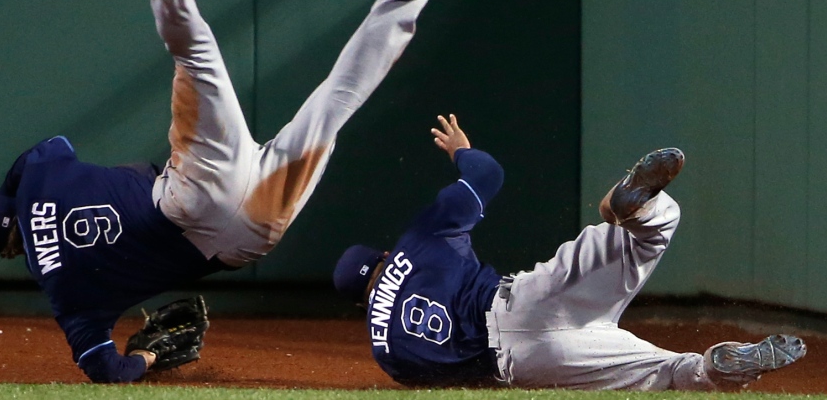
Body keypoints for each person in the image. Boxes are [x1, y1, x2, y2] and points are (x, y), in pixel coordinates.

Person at [0, 0, 434, 383]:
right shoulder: (41, 182)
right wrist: (3, 198)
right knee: (196, 54)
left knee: (336, 104)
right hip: (189, 192)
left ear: (12, 249)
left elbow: (105, 370)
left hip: (249, 233)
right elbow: (41, 153)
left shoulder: (66, 294)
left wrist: (148, 359)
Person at [333, 114, 807, 390]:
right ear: (383, 255)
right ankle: (630, 208)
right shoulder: (417, 242)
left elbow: (449, 387)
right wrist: (462, 150)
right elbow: (488, 175)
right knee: (653, 230)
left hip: (525, 359)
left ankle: (717, 365)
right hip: (529, 297)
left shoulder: (387, 352)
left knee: (669, 374)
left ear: (361, 303)